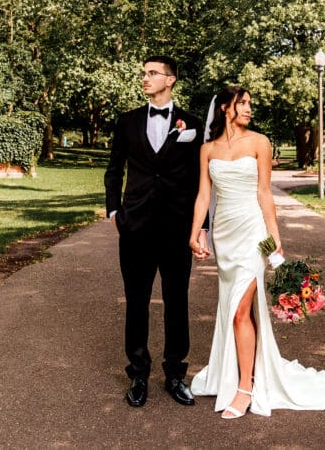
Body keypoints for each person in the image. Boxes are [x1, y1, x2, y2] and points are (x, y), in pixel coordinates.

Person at [188, 86, 325, 418]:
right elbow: (203, 195)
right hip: (224, 235)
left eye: (249, 104)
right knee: (234, 307)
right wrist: (195, 235)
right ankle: (244, 372)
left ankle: (244, 389)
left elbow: (264, 194)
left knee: (240, 311)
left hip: (252, 233)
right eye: (242, 103)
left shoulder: (260, 143)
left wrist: (274, 238)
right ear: (225, 109)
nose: (248, 109)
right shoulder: (207, 150)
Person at [104, 55, 206, 408]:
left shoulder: (192, 124)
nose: (145, 78)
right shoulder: (127, 121)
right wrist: (115, 210)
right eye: (144, 73)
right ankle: (138, 374)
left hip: (177, 227)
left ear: (171, 79)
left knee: (177, 301)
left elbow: (201, 181)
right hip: (135, 227)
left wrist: (200, 227)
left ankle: (176, 374)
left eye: (153, 73)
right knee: (136, 301)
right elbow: (114, 169)